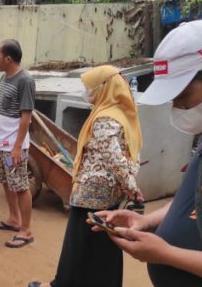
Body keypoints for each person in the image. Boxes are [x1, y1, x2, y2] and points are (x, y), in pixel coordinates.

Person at [92, 20, 202, 287]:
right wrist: (146, 221)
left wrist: (168, 255)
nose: (178, 106)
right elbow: (200, 196)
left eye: (183, 94)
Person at [29, 65, 144, 287]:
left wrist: (131, 186)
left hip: (92, 194)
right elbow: (131, 155)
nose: (85, 91)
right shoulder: (122, 112)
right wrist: (131, 184)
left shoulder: (104, 118)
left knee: (78, 245)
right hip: (108, 193)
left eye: (89, 87)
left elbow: (114, 157)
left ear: (104, 88)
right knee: (103, 245)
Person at [0, 39, 36, 248]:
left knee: (20, 186)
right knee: (6, 181)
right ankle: (13, 219)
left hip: (12, 147)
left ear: (8, 59)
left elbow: (26, 117)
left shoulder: (24, 80)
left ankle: (26, 231)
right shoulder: (5, 77)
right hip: (0, 143)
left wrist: (17, 147)